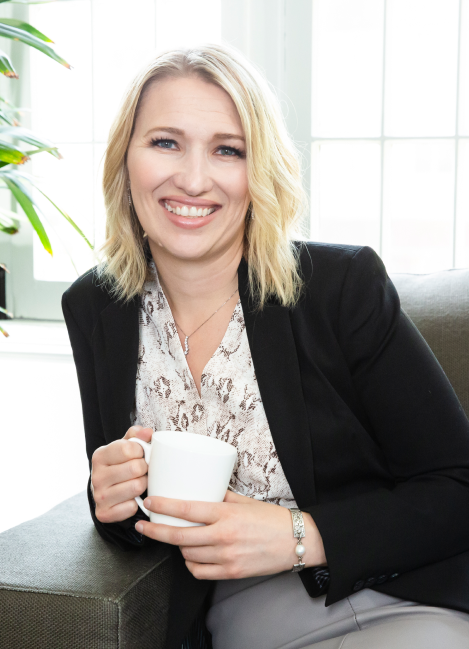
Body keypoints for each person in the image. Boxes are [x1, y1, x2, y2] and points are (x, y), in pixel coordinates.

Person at [62, 44, 469, 649]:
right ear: (126, 160)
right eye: (166, 142)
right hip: (247, 617)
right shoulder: (97, 307)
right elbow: (133, 516)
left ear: (261, 172)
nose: (193, 179)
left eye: (228, 150)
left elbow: (457, 485)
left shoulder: (340, 287)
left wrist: (302, 535)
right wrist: (109, 501)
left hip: (402, 594)